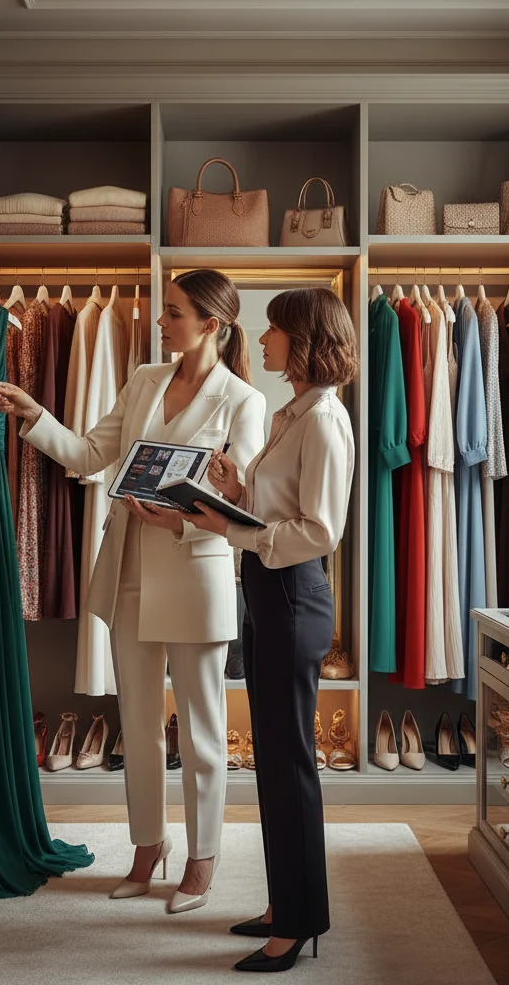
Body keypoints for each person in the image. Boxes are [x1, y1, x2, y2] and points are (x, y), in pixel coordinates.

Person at [0, 269, 265, 913]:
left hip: (195, 570)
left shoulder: (242, 401)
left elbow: (243, 493)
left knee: (200, 731)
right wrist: (35, 417)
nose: (161, 322)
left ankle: (202, 858)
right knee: (138, 725)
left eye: (173, 313)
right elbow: (89, 455)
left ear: (210, 326)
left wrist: (194, 506)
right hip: (129, 569)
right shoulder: (144, 379)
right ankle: (148, 847)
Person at [183, 287, 357, 972]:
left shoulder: (323, 421)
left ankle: (300, 919)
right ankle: (286, 901)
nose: (261, 340)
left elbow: (320, 531)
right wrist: (234, 489)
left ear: (305, 337)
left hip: (291, 596)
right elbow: (277, 509)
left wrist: (228, 527)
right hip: (269, 594)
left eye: (274, 330)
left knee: (289, 766)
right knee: (274, 763)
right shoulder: (293, 414)